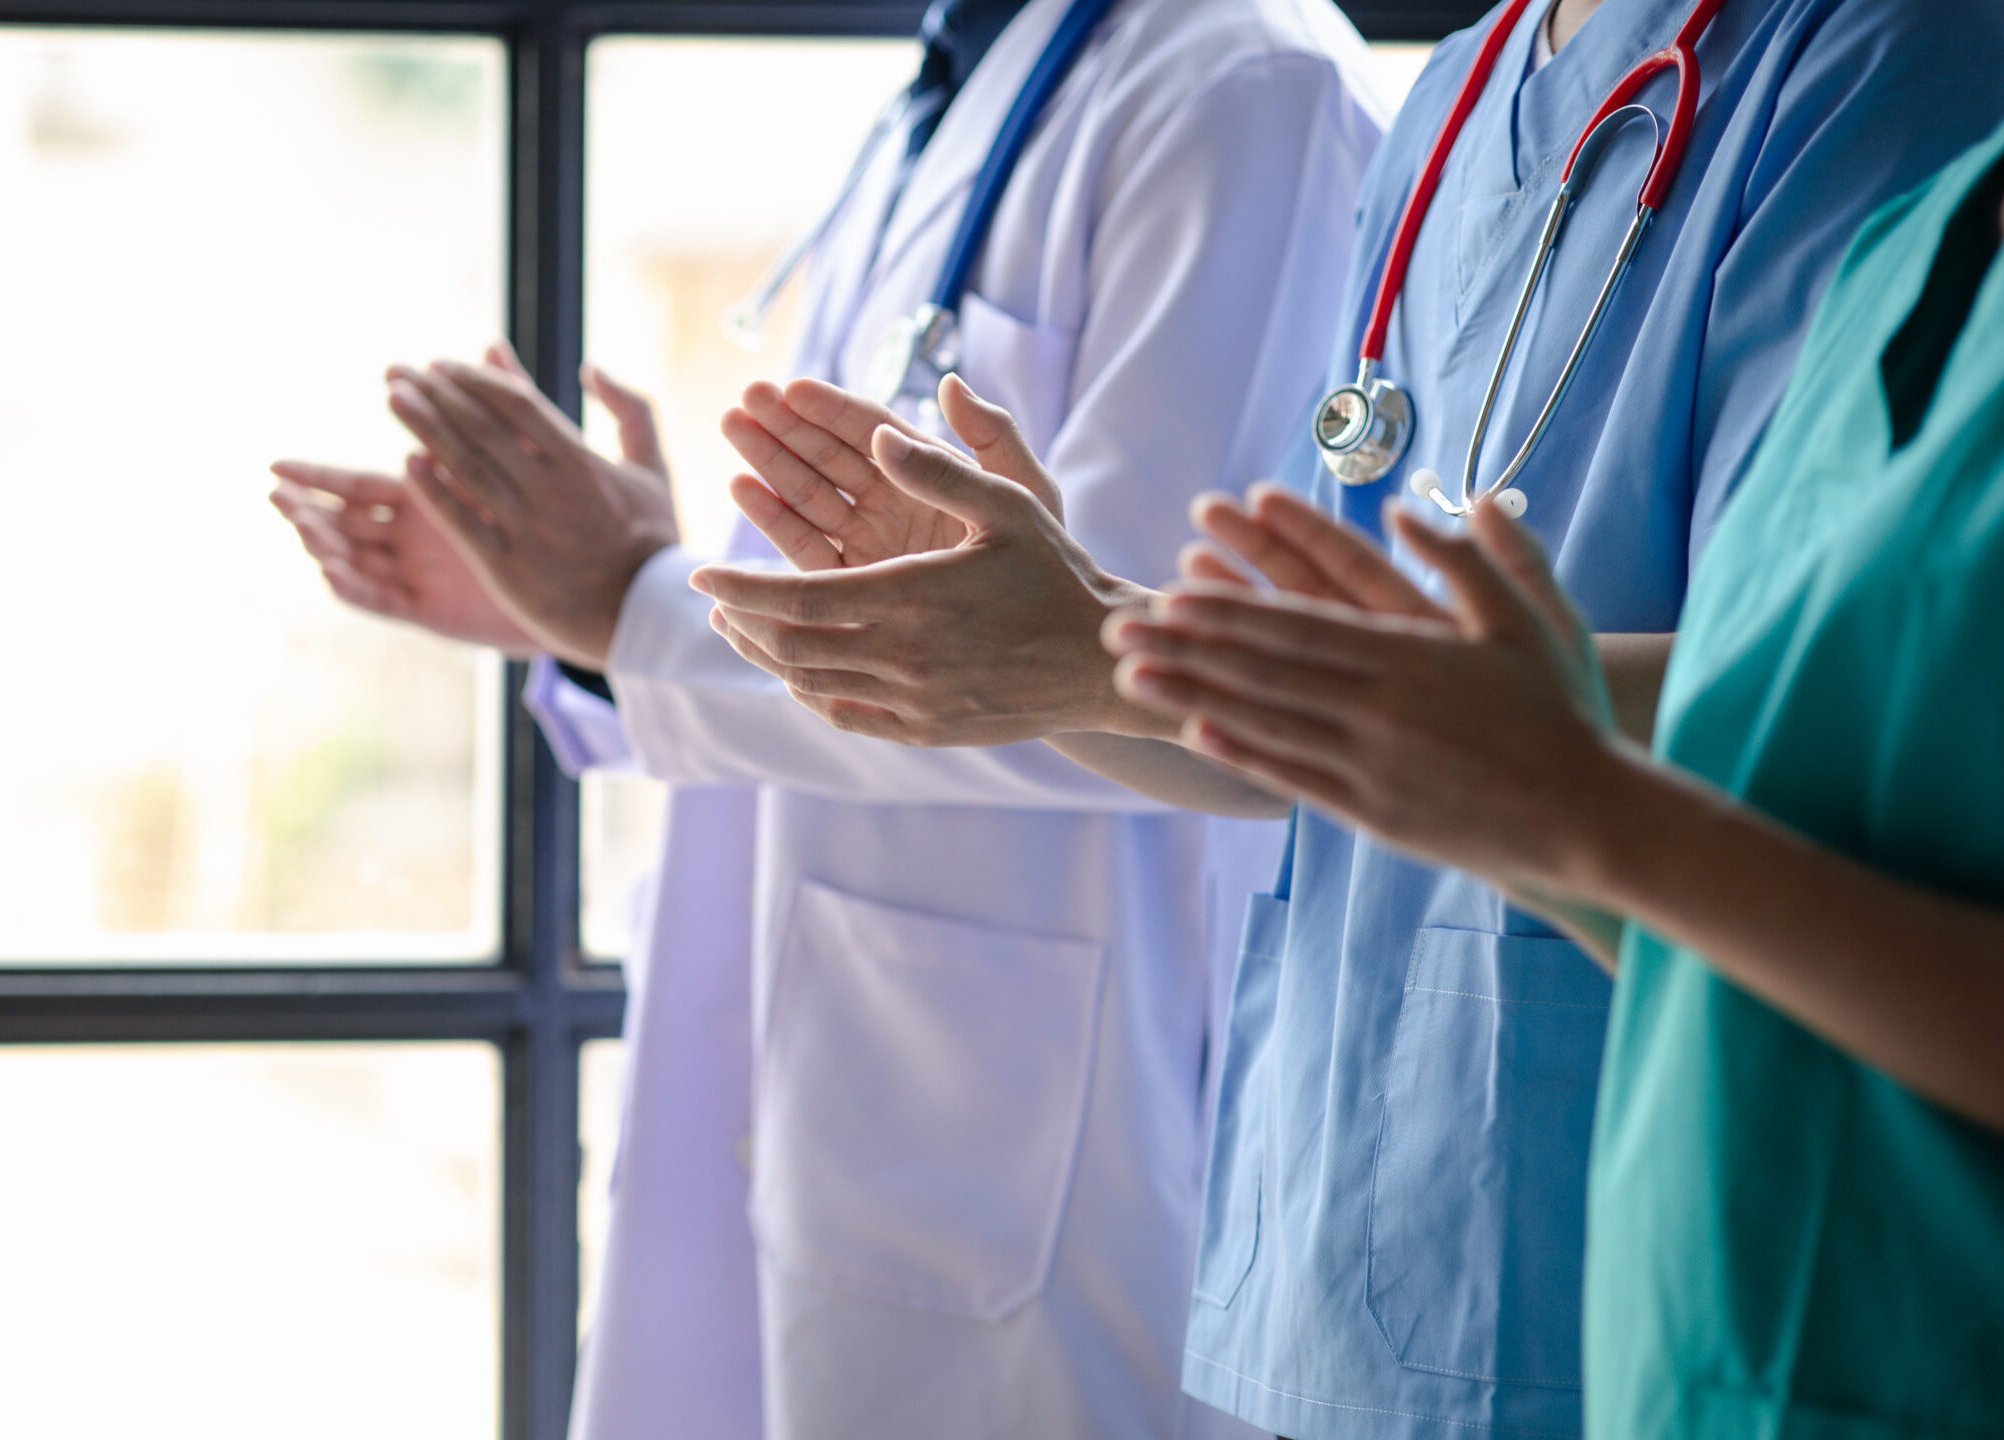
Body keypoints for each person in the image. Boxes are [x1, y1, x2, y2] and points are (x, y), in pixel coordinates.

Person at [690, 1, 2004, 1437]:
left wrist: (1114, 641)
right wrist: (1067, 644)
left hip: (1635, 1210)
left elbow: (1797, 703)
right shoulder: (1458, 91)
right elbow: (1362, 717)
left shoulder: (1896, 65)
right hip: (1353, 1219)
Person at [271, 0, 1389, 1435]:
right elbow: (883, 611)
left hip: (1057, 1190)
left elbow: (1145, 680)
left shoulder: (1245, 87)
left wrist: (635, 604)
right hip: (878, 1117)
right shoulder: (958, 82)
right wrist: (590, 621)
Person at [1104, 117, 2004, 1439]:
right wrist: (1482, 788)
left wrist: (1581, 817)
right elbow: (1765, 845)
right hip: (1694, 1357)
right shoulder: (1916, 243)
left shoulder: (1889, 105)